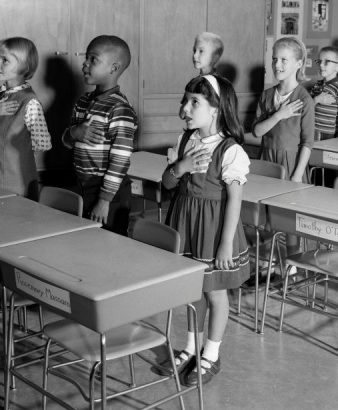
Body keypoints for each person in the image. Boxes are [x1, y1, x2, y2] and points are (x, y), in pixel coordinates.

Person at [157, 74, 251, 386]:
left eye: (193, 102)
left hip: (213, 230)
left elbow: (235, 201)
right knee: (191, 290)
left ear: (216, 109)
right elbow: (168, 183)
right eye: (185, 100)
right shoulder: (186, 140)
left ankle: (211, 353)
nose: (184, 107)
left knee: (214, 292)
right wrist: (180, 167)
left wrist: (225, 245)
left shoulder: (230, 150)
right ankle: (190, 347)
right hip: (186, 224)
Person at [62, 35, 137, 235]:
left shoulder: (120, 108)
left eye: (93, 59)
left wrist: (104, 201)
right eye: (86, 58)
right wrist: (74, 133)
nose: (85, 64)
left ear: (113, 68)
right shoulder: (82, 101)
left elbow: (120, 160)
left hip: (109, 191)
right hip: (82, 182)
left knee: (109, 244)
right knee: (85, 239)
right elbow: (67, 142)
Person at [252, 36, 314, 255]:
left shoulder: (304, 99)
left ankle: (293, 264)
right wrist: (279, 115)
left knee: (289, 217)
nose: (277, 65)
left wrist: (297, 175)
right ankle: (266, 263)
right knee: (266, 214)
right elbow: (257, 131)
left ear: (299, 63)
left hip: (291, 163)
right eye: (274, 59)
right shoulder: (268, 95)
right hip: (267, 160)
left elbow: (307, 142)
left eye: (284, 60)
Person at [0, 37, 51, 200]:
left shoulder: (29, 102)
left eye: (4, 60)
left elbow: (43, 143)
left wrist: (18, 154)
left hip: (17, 181)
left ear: (25, 66)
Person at [309, 46, 338, 140]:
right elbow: (307, 106)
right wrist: (316, 100)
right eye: (319, 61)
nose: (321, 65)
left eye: (326, 62)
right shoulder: (317, 85)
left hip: (327, 135)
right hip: (311, 130)